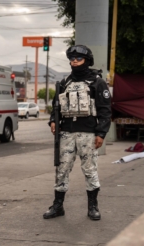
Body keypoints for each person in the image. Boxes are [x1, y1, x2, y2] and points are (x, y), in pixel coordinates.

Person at [43, 45, 111, 221]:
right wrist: (52, 121)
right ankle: (58, 206)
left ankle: (93, 207)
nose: (74, 62)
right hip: (66, 134)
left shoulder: (97, 82)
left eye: (78, 59)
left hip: (88, 134)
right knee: (62, 170)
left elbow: (105, 111)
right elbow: (56, 106)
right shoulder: (65, 82)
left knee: (89, 170)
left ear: (87, 61)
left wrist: (101, 134)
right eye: (72, 59)